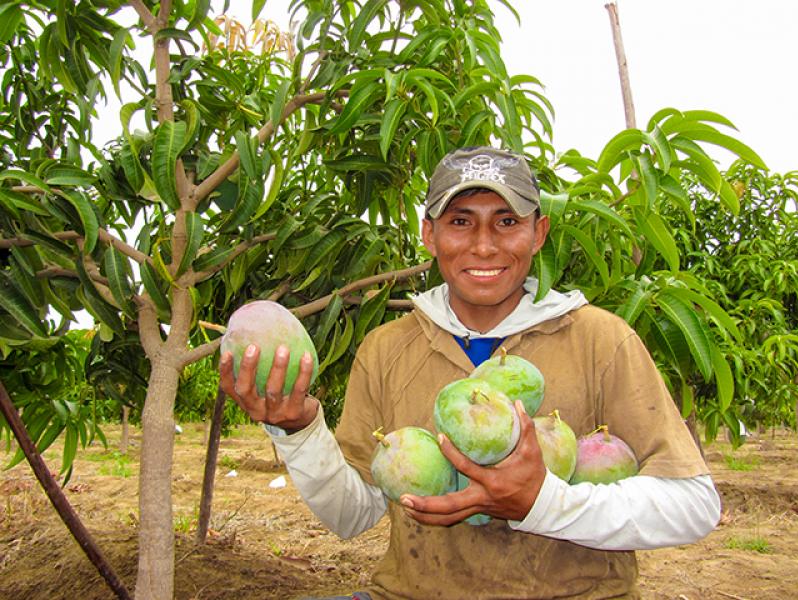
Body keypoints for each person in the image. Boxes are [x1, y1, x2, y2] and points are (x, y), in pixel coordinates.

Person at [220, 146, 721, 600]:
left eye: (506, 222)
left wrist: (542, 503)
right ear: (429, 234)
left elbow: (693, 505)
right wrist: (297, 431)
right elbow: (352, 515)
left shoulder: (599, 340)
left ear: (538, 233)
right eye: (461, 222)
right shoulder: (387, 348)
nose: (484, 245)